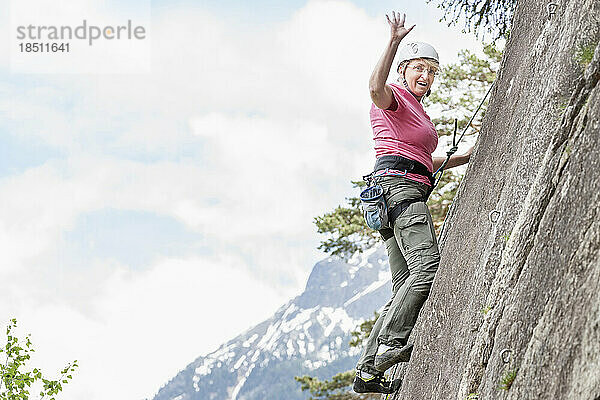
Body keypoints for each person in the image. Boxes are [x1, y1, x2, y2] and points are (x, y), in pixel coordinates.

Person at [352, 12, 473, 394]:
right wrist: (392, 42)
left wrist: (464, 158)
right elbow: (373, 87)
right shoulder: (393, 98)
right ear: (403, 69)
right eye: (419, 68)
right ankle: (390, 344)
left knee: (404, 282)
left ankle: (368, 372)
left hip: (391, 195)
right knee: (428, 267)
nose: (426, 76)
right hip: (400, 190)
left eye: (432, 71)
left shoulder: (415, 110)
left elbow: (423, 158)